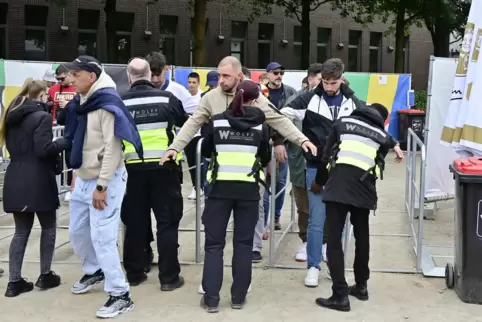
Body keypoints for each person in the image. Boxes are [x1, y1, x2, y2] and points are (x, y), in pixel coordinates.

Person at [64, 55, 143, 319]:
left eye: (76, 74)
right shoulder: (84, 103)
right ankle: (94, 270)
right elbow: (81, 141)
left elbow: (113, 149)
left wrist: (102, 186)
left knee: (102, 238)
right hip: (84, 178)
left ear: (92, 76)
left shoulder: (107, 104)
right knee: (77, 232)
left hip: (104, 181)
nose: (71, 78)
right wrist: (77, 172)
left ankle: (121, 294)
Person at [281, 58, 365, 287]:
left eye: (334, 82)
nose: (329, 87)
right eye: (326, 82)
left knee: (338, 222)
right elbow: (280, 116)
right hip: (315, 167)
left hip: (344, 169)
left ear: (342, 78)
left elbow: (371, 120)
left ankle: (335, 268)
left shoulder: (352, 101)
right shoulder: (308, 98)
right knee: (316, 220)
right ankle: (313, 267)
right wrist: (300, 139)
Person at [160, 56, 316, 179]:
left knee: (255, 216)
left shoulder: (253, 95)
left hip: (249, 171)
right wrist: (175, 147)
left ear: (239, 76)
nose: (221, 80)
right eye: (220, 75)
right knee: (213, 218)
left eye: (226, 76)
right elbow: (193, 123)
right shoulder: (210, 98)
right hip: (218, 171)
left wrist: (302, 140)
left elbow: (278, 119)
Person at [312, 104, 403, 312]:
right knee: (362, 237)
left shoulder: (342, 123)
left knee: (334, 239)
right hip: (364, 190)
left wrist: (319, 182)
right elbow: (385, 150)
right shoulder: (382, 135)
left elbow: (326, 157)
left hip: (338, 188)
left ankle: (340, 295)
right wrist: (396, 146)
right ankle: (361, 286)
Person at [199, 80, 270, 313]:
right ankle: (238, 297)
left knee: (214, 245)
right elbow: (265, 156)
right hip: (248, 191)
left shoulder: (216, 121)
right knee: (243, 245)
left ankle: (211, 299)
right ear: (256, 99)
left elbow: (207, 150)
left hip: (219, 190)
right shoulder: (261, 125)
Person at [120, 58, 187, 290]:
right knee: (167, 223)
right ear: (150, 75)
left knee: (135, 223)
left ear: (130, 77)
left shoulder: (120, 102)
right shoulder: (167, 98)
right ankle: (169, 279)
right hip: (164, 168)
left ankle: (134, 274)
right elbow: (184, 125)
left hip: (132, 170)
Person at [1, 78, 70, 297]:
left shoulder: (10, 117)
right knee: (48, 227)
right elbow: (43, 149)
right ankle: (45, 274)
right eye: (46, 96)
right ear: (40, 96)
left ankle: (14, 281)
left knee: (21, 231)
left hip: (15, 177)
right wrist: (64, 142)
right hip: (39, 178)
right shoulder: (41, 117)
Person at [281, 63, 323, 263]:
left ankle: (323, 244)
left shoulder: (334, 101)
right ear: (310, 79)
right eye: (320, 80)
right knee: (304, 205)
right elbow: (280, 120)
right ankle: (306, 242)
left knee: (325, 204)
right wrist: (278, 143)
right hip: (299, 161)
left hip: (324, 162)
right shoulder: (296, 99)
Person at [262, 62, 297, 233]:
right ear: (267, 74)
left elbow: (291, 120)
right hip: (263, 144)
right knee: (265, 183)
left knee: (281, 182)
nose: (279, 75)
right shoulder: (260, 93)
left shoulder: (290, 92)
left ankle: (275, 216)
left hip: (284, 145)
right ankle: (263, 220)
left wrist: (280, 141)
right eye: (275, 72)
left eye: (281, 72)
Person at [49, 64, 77, 201]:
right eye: (57, 79)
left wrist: (68, 105)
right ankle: (58, 186)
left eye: (62, 79)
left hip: (72, 128)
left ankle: (70, 186)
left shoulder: (77, 87)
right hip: (57, 127)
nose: (60, 82)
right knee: (56, 157)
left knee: (71, 158)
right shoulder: (53, 89)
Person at [185, 71, 206, 200]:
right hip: (188, 135)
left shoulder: (203, 97)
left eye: (194, 83)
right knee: (191, 163)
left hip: (200, 135)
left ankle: (202, 186)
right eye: (189, 82)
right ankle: (196, 187)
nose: (191, 85)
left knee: (201, 163)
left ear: (198, 84)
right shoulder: (184, 97)